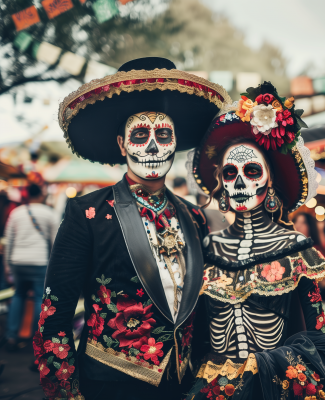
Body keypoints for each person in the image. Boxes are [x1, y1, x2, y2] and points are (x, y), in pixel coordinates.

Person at [33, 57, 230, 400]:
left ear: (175, 143)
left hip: (183, 385)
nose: (153, 147)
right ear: (122, 145)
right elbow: (56, 314)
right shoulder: (89, 213)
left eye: (163, 135)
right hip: (109, 385)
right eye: (140, 135)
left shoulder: (194, 217)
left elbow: (200, 311)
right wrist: (66, 391)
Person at [185, 82, 325, 399]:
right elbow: (195, 333)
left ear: (269, 179)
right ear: (220, 182)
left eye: (251, 171)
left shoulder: (295, 247)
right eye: (231, 173)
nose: (241, 183)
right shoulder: (207, 247)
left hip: (273, 387)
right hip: (211, 386)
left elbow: (317, 335)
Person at [4, 184, 58, 350]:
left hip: (17, 262)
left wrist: (7, 265)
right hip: (39, 262)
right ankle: (35, 337)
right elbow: (56, 242)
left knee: (18, 295)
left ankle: (12, 336)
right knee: (37, 298)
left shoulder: (16, 213)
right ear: (42, 194)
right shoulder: (50, 213)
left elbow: (9, 240)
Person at [293, 212, 325, 302]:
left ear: (311, 227)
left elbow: (324, 283)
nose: (298, 225)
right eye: (296, 221)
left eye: (303, 223)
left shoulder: (315, 251)